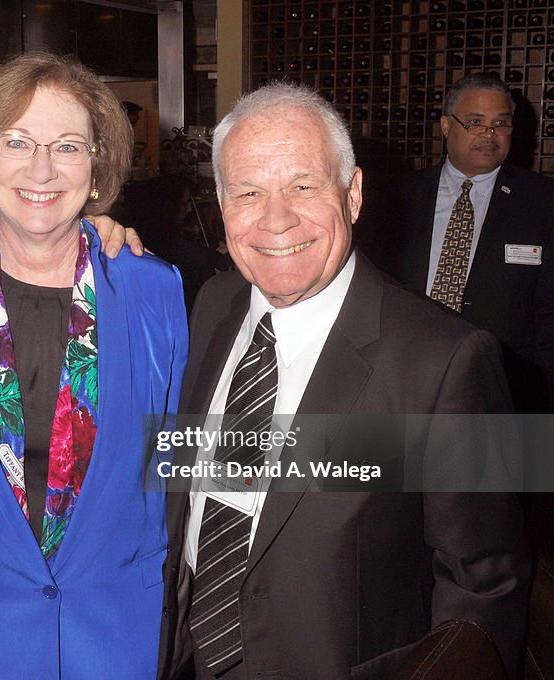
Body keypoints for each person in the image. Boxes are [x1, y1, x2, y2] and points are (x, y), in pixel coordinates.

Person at [159, 83, 530, 680]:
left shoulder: (447, 361)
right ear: (221, 205)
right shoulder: (213, 303)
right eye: (248, 191)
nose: (276, 219)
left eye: (304, 186)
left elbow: (483, 585)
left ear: (353, 194)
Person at [0, 52, 188, 678]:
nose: (41, 168)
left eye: (67, 145)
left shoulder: (155, 289)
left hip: (122, 639)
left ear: (98, 166)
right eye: (16, 141)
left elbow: (180, 461)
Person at [373, 73, 554, 413]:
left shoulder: (542, 203)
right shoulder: (399, 198)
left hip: (504, 390)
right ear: (445, 125)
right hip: (406, 380)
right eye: (475, 122)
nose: (489, 134)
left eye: (501, 123)